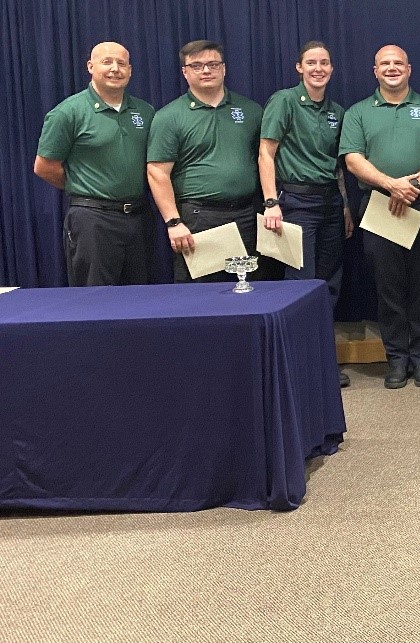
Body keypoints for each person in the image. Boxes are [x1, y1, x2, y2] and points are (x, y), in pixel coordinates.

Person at [339, 45, 420, 389]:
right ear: (375, 71)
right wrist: (391, 185)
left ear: (409, 68)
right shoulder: (358, 112)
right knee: (388, 289)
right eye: (384, 64)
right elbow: (353, 160)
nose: (392, 68)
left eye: (398, 63)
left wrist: (413, 184)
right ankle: (396, 359)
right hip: (379, 207)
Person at [259, 41, 353, 385]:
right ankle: (299, 366)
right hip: (295, 203)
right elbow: (266, 153)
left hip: (329, 203)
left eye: (324, 63)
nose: (318, 68)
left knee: (328, 285)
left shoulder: (336, 111)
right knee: (299, 285)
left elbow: (338, 166)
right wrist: (271, 202)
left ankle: (323, 362)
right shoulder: (284, 101)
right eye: (311, 62)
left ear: (331, 69)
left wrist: (344, 205)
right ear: (299, 68)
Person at [34, 41, 156, 286]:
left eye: (121, 63)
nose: (115, 69)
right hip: (92, 220)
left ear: (130, 71)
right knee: (94, 298)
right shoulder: (68, 112)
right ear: (90, 67)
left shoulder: (145, 111)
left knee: (142, 298)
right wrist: (87, 186)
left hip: (138, 218)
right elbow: (44, 167)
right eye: (106, 62)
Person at [147, 40, 267, 283]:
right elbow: (157, 173)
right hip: (199, 218)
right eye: (197, 65)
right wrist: (173, 222)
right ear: (185, 72)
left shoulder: (251, 110)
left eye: (213, 64)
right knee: (201, 295)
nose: (206, 71)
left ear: (224, 69)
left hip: (246, 215)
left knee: (246, 290)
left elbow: (267, 159)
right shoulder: (169, 117)